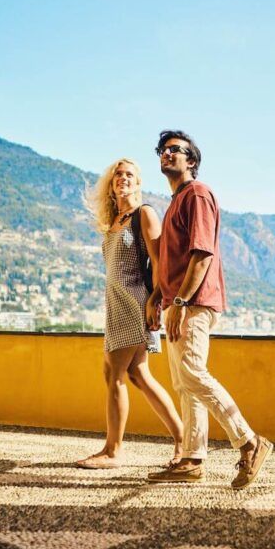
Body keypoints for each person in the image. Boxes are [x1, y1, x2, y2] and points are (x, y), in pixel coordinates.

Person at [146, 130, 273, 489]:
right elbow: (174, 260)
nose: (166, 154)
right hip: (177, 302)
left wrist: (182, 302)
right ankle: (192, 458)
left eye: (175, 150)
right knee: (184, 383)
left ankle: (249, 441)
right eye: (162, 150)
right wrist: (159, 295)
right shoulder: (176, 201)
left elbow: (202, 254)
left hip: (194, 303)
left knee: (191, 373)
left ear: (192, 161)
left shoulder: (198, 194)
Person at [76, 158, 184, 469]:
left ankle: (113, 451)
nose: (123, 178)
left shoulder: (144, 215)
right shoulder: (115, 221)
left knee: (114, 375)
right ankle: (182, 439)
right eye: (118, 175)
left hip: (136, 302)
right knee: (138, 375)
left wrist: (156, 302)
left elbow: (159, 262)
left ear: (138, 182)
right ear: (111, 184)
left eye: (130, 175)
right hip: (116, 303)